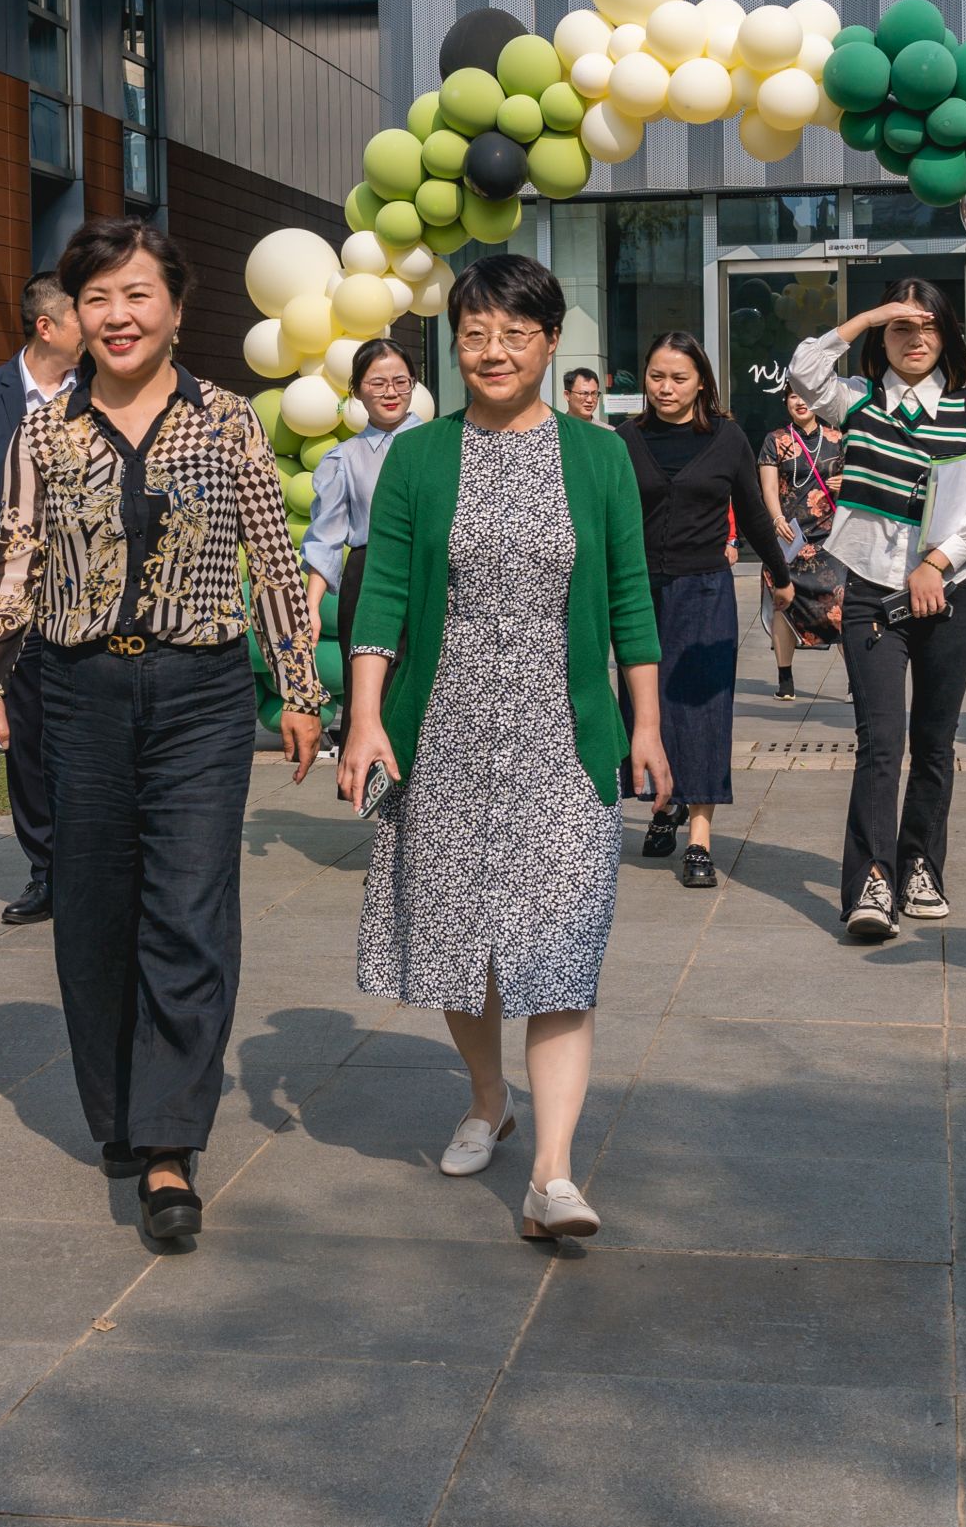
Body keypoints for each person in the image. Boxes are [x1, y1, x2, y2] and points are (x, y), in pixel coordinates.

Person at [0, 216, 323, 1243]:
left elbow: (273, 559)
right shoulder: (46, 431)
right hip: (78, 694)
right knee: (92, 911)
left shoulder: (229, 421)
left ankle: (170, 1145)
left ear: (175, 305)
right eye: (97, 298)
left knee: (190, 907)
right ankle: (121, 1111)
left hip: (201, 693)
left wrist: (299, 688)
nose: (117, 316)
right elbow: (13, 557)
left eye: (136, 295)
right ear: (73, 315)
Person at [339, 254, 666, 1243]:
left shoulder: (599, 456)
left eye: (515, 334)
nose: (493, 352)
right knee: (461, 943)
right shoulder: (419, 456)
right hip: (441, 734)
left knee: (561, 947)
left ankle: (554, 1177)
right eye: (475, 334)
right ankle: (490, 1099)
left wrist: (647, 724)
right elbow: (383, 593)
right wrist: (365, 717)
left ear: (551, 340)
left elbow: (630, 598)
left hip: (563, 734)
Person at [786, 280, 966, 939]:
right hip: (872, 597)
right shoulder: (857, 400)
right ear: (882, 337)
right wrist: (868, 315)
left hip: (949, 597)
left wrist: (937, 562)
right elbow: (804, 371)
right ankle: (870, 882)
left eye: (928, 326)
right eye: (901, 327)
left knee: (935, 743)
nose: (915, 339)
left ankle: (920, 866)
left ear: (948, 337)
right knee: (880, 743)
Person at [617, 333, 793, 888]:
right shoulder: (626, 439)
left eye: (679, 378)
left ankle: (699, 837)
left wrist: (781, 575)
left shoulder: (726, 437)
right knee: (647, 708)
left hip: (705, 593)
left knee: (703, 712)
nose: (665, 388)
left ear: (701, 384)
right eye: (656, 376)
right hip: (640, 594)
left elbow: (754, 514)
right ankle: (664, 802)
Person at [0, 276, 82, 927]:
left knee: (82, 738)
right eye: (82, 314)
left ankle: (93, 868)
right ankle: (47, 871)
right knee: (26, 739)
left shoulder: (100, 394)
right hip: (10, 600)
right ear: (46, 326)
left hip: (84, 599)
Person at [302, 337, 423, 660]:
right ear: (356, 390)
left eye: (401, 381)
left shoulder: (441, 445)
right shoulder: (343, 458)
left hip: (433, 576)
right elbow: (325, 537)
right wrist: (311, 607)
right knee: (369, 683)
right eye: (378, 383)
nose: (391, 392)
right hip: (367, 581)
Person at [758, 387, 842, 698]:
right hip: (788, 537)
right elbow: (768, 488)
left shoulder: (837, 438)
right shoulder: (776, 440)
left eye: (805, 395)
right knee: (783, 603)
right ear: (786, 402)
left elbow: (862, 481)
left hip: (830, 538)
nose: (800, 401)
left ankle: (855, 679)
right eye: (793, 396)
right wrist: (777, 519)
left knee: (841, 604)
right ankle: (785, 679)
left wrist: (845, 483)